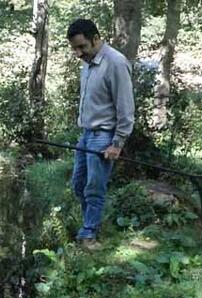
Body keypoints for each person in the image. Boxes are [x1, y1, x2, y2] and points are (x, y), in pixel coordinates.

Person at [67, 19, 135, 249]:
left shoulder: (116, 63)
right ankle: (91, 224)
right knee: (78, 185)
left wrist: (117, 143)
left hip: (104, 136)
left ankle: (89, 235)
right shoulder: (88, 62)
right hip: (86, 134)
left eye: (82, 46)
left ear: (96, 38)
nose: (78, 53)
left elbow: (126, 108)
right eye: (75, 48)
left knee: (94, 188)